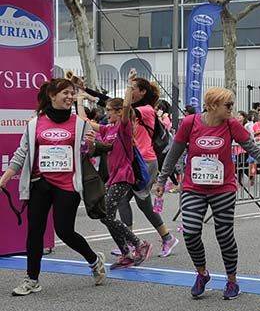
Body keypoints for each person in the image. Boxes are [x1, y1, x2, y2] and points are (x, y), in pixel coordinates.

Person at [153, 87, 260, 300]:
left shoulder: (232, 125)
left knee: (224, 235)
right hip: (194, 187)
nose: (232, 109)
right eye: (228, 105)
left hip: (223, 189)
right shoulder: (190, 123)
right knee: (191, 232)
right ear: (212, 106)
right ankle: (202, 273)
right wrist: (162, 179)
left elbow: (253, 149)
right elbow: (174, 152)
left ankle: (232, 280)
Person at [1, 78, 107, 295]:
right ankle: (32, 279)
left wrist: (89, 144)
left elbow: (90, 151)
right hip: (40, 183)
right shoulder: (35, 123)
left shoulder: (80, 123)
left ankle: (94, 260)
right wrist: (4, 178)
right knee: (35, 231)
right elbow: (23, 153)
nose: (69, 97)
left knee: (65, 231)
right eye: (64, 93)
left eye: (71, 93)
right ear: (51, 96)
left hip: (68, 184)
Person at [100, 91, 155, 269]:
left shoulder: (123, 128)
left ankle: (139, 244)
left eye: (109, 110)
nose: (106, 113)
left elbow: (126, 107)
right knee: (105, 216)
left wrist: (130, 86)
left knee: (107, 214)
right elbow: (85, 122)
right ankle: (126, 253)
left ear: (118, 112)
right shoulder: (107, 129)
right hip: (112, 177)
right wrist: (78, 99)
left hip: (124, 176)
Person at [129, 77, 180, 257]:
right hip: (134, 161)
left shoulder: (146, 110)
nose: (129, 91)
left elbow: (123, 109)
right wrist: (87, 93)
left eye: (132, 88)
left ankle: (130, 243)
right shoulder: (136, 110)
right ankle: (166, 238)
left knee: (128, 201)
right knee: (142, 204)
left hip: (146, 162)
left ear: (142, 92)